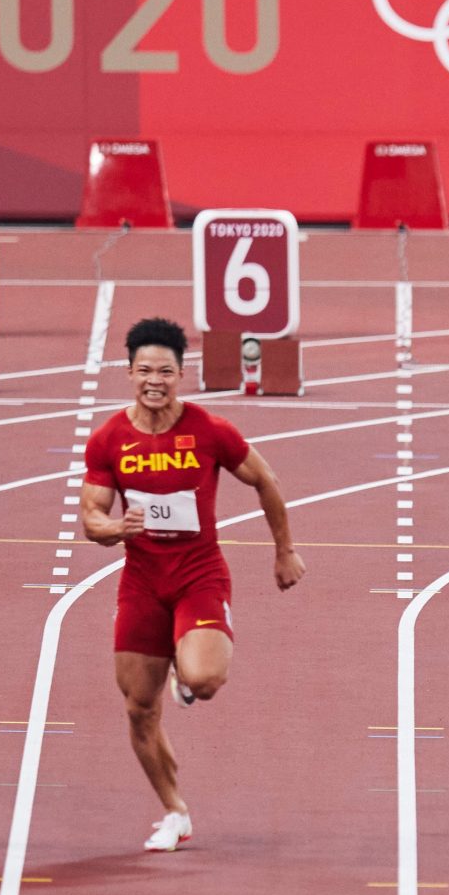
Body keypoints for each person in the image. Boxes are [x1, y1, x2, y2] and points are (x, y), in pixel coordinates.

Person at [80, 318, 304, 852]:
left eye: (165, 371)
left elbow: (265, 480)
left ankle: (194, 653)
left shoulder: (210, 431)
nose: (153, 380)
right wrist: (117, 528)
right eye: (143, 371)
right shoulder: (109, 439)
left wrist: (284, 550)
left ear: (182, 374)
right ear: (129, 373)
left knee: (202, 680)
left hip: (199, 575)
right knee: (139, 708)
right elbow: (92, 516)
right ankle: (175, 811)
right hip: (140, 582)